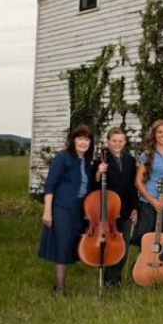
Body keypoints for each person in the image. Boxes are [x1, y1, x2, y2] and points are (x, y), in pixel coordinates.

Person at [39, 124, 95, 295]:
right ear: (73, 140)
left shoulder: (86, 162)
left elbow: (89, 185)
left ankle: (62, 284)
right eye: (80, 138)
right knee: (62, 246)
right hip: (62, 208)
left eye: (86, 139)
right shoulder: (63, 158)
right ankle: (59, 289)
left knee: (72, 245)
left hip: (79, 209)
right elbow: (50, 185)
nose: (83, 142)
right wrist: (47, 211)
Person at [89, 127, 138, 286]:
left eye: (120, 141)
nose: (117, 144)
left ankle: (114, 278)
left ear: (124, 142)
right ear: (108, 141)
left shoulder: (130, 161)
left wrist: (135, 208)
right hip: (107, 211)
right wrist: (98, 173)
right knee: (109, 247)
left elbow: (133, 187)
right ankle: (110, 281)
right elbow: (92, 188)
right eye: (114, 141)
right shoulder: (101, 161)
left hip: (125, 210)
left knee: (122, 247)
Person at [135, 120, 163, 253]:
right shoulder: (147, 155)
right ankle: (145, 267)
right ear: (154, 134)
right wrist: (153, 201)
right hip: (149, 202)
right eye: (159, 132)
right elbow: (138, 182)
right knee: (146, 237)